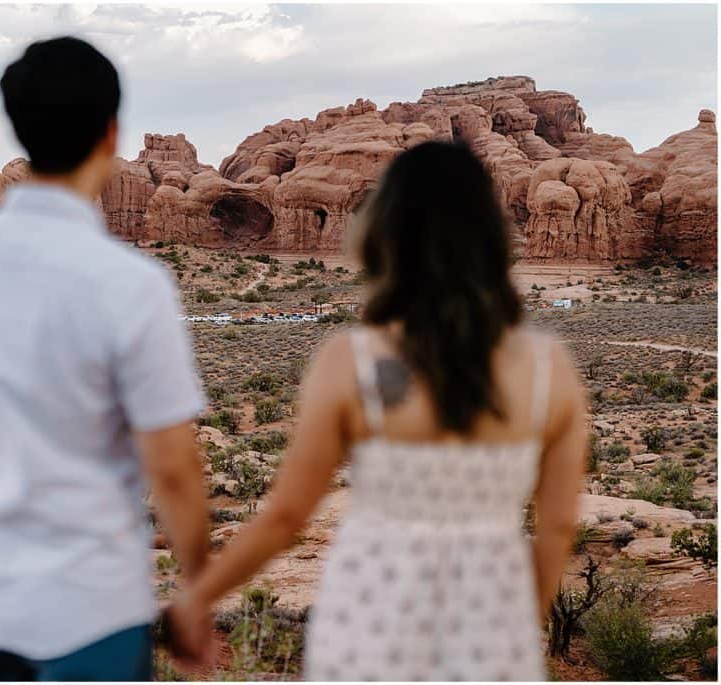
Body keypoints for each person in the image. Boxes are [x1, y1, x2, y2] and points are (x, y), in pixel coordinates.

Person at [171, 141, 587, 681]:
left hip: (369, 629)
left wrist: (195, 598)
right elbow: (556, 527)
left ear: (384, 231)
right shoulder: (549, 370)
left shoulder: (353, 361)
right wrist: (517, 622)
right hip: (492, 635)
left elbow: (285, 517)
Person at [0, 36, 211, 681]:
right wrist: (198, 589)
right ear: (110, 134)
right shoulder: (132, 283)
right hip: (95, 604)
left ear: (16, 125)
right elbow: (174, 465)